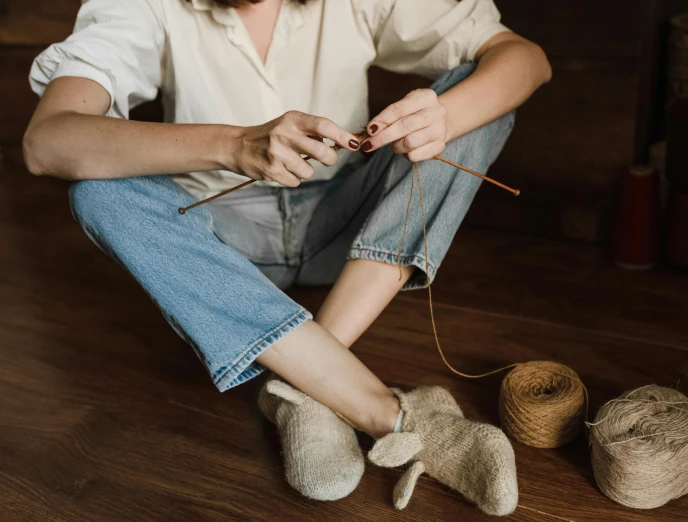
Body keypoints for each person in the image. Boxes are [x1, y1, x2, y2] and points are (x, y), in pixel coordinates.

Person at [23, 0, 551, 515]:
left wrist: (444, 117)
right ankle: (384, 412)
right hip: (224, 249)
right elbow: (46, 142)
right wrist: (234, 145)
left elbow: (527, 58)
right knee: (96, 192)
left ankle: (305, 384)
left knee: (474, 103)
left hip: (345, 228)